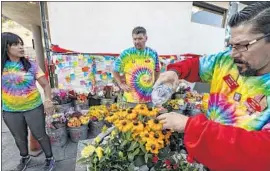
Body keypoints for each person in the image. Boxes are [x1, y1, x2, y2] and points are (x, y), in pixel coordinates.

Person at [156, 2, 270, 171]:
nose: (233, 54)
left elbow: (262, 153)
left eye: (243, 45)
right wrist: (175, 72)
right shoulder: (226, 60)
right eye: (231, 45)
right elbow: (197, 66)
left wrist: (191, 126)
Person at [1, 32, 56, 171]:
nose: (21, 47)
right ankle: (25, 157)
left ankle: (50, 158)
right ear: (5, 47)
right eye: (15, 44)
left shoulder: (31, 65)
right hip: (10, 110)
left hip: (33, 108)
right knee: (19, 137)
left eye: (21, 44)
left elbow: (46, 85)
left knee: (40, 135)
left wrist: (48, 100)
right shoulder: (2, 67)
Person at [113, 26, 160, 107]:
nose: (137, 41)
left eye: (140, 38)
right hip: (131, 99)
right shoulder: (126, 54)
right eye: (134, 39)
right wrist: (120, 84)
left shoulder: (153, 53)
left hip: (149, 99)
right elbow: (114, 69)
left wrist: (154, 84)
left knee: (150, 119)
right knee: (131, 119)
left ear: (146, 38)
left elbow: (157, 70)